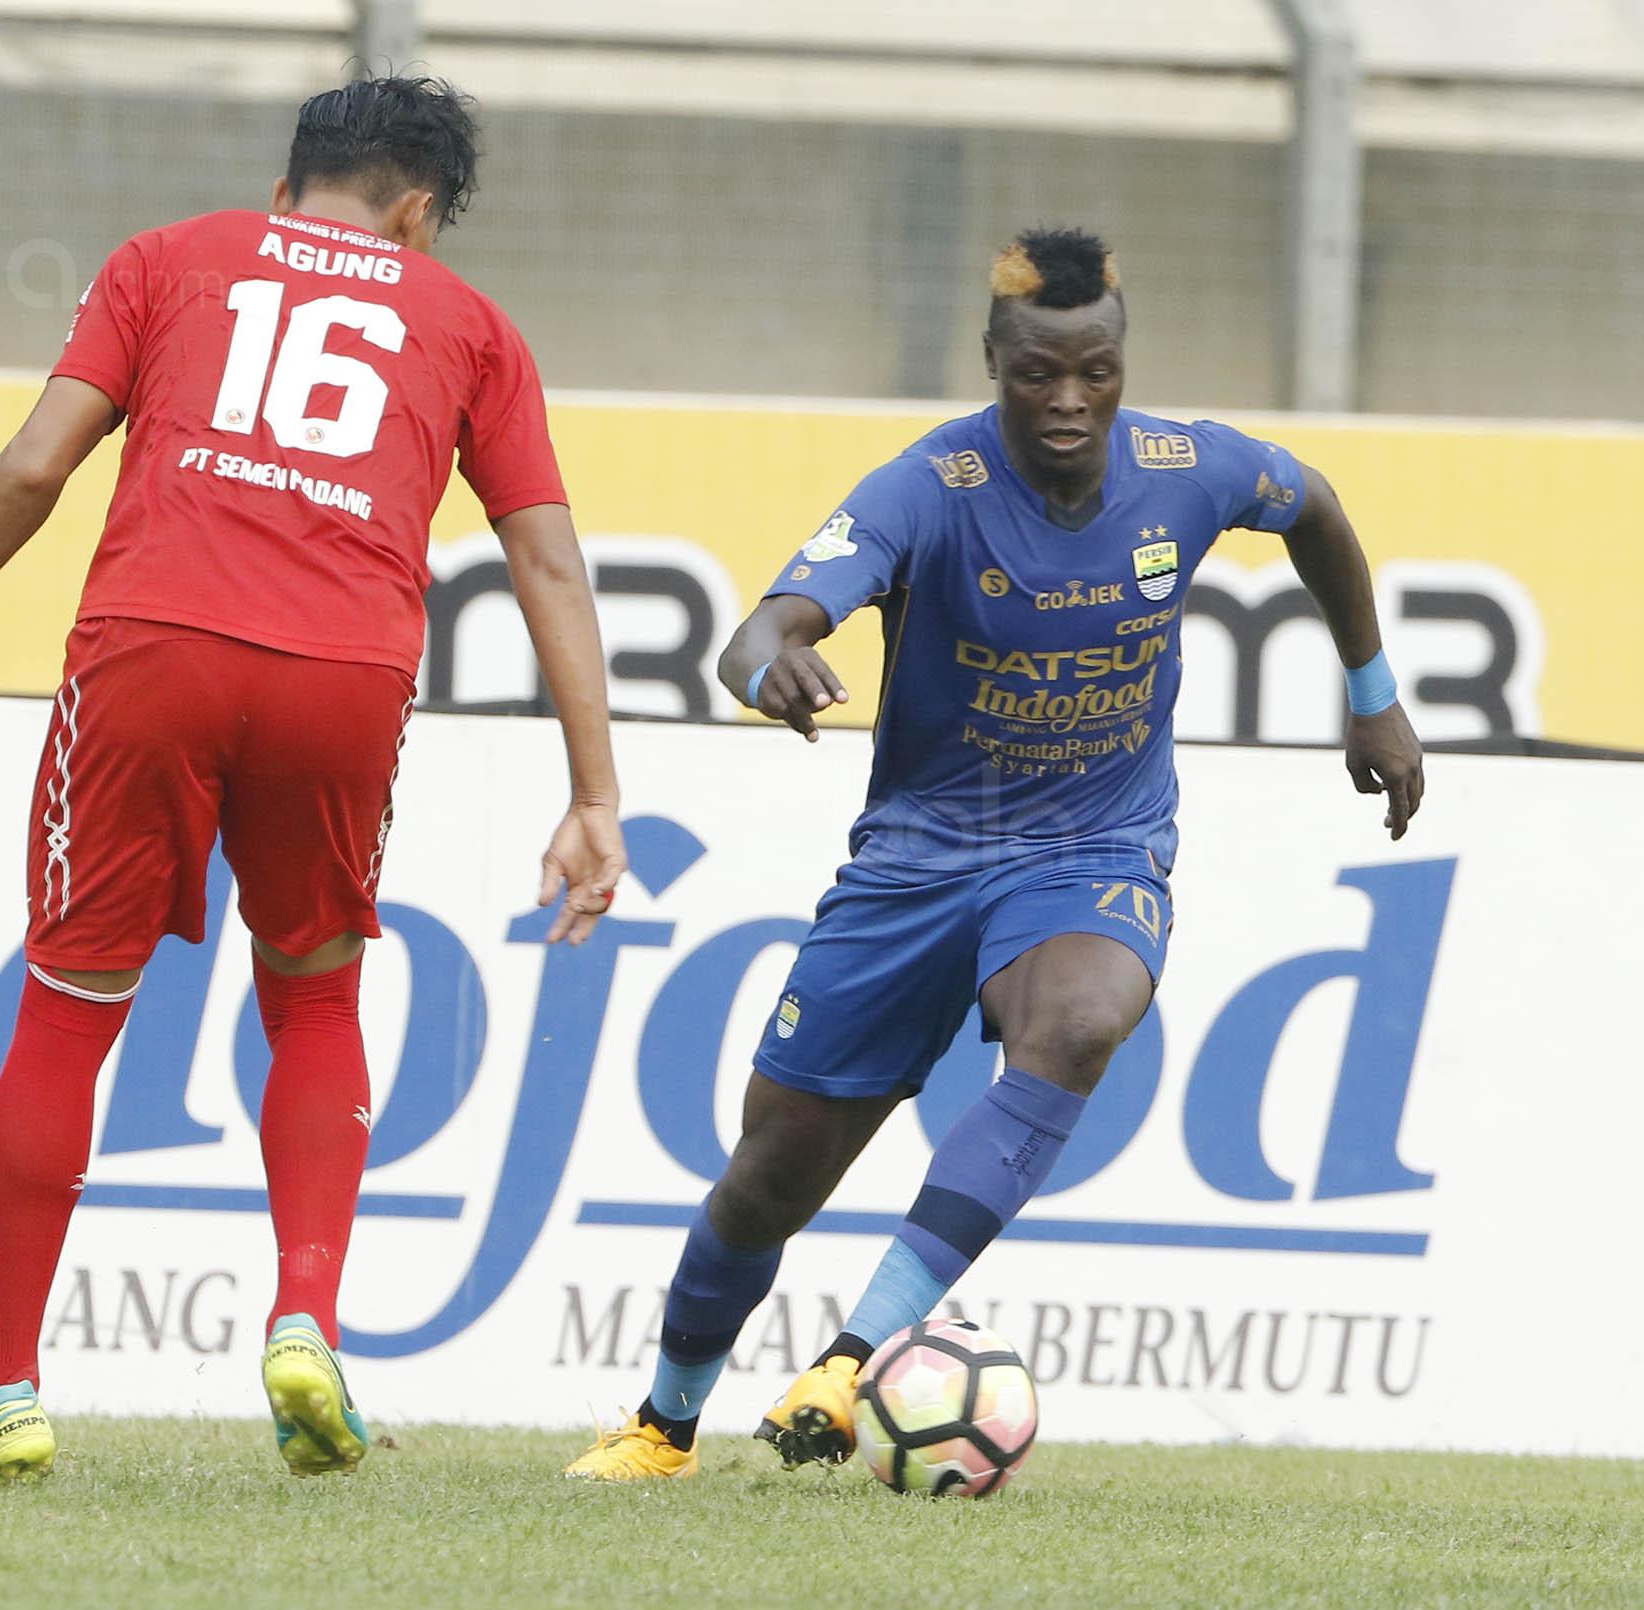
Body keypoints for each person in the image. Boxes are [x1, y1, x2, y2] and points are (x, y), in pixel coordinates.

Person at [0, 76, 628, 1486]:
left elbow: (32, 466)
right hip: (343, 673)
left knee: (72, 1001)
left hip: (153, 651)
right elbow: (547, 557)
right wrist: (594, 791)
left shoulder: (168, 258)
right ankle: (306, 1311)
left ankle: (7, 1386)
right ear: (420, 211)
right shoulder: (472, 328)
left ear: (289, 181)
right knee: (312, 987)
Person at [564, 227, 1426, 1480]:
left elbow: (1322, 513)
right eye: (1037, 374)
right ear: (993, 361)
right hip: (920, 859)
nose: (1069, 401)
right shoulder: (929, 487)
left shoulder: (1190, 471)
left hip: (1094, 843)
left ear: (1124, 361)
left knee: (1081, 1021)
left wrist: (1374, 689)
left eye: (1096, 371)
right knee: (768, 1181)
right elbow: (756, 629)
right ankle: (664, 1424)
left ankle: (854, 1359)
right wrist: (771, 669)